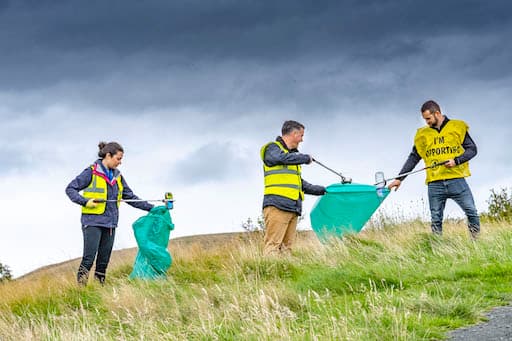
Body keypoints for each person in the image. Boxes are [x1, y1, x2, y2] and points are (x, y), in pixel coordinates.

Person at [387, 100, 480, 238]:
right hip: (435, 183)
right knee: (436, 218)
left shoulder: (457, 126)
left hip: (457, 180)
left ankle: (476, 243)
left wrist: (456, 161)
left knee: (471, 211)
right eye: (425, 119)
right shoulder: (422, 134)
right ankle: (437, 248)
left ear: (437, 113)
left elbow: (472, 149)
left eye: (428, 118)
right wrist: (399, 179)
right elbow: (414, 157)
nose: (427, 122)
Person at [66, 141, 154, 285]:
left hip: (110, 224)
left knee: (103, 261)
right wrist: (85, 201)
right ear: (108, 155)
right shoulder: (91, 171)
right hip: (92, 222)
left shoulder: (118, 176)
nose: (120, 162)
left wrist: (152, 208)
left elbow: (130, 197)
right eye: (118, 158)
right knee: (89, 259)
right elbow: (70, 189)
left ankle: (100, 291)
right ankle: (80, 292)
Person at [261, 120, 326, 255]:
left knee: (286, 249)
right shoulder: (272, 149)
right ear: (294, 134)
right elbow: (279, 158)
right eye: (301, 136)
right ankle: (270, 275)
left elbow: (299, 184)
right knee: (273, 245)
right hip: (277, 204)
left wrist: (323, 190)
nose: (302, 140)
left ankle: (285, 275)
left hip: (293, 207)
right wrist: (304, 158)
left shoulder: (291, 157)